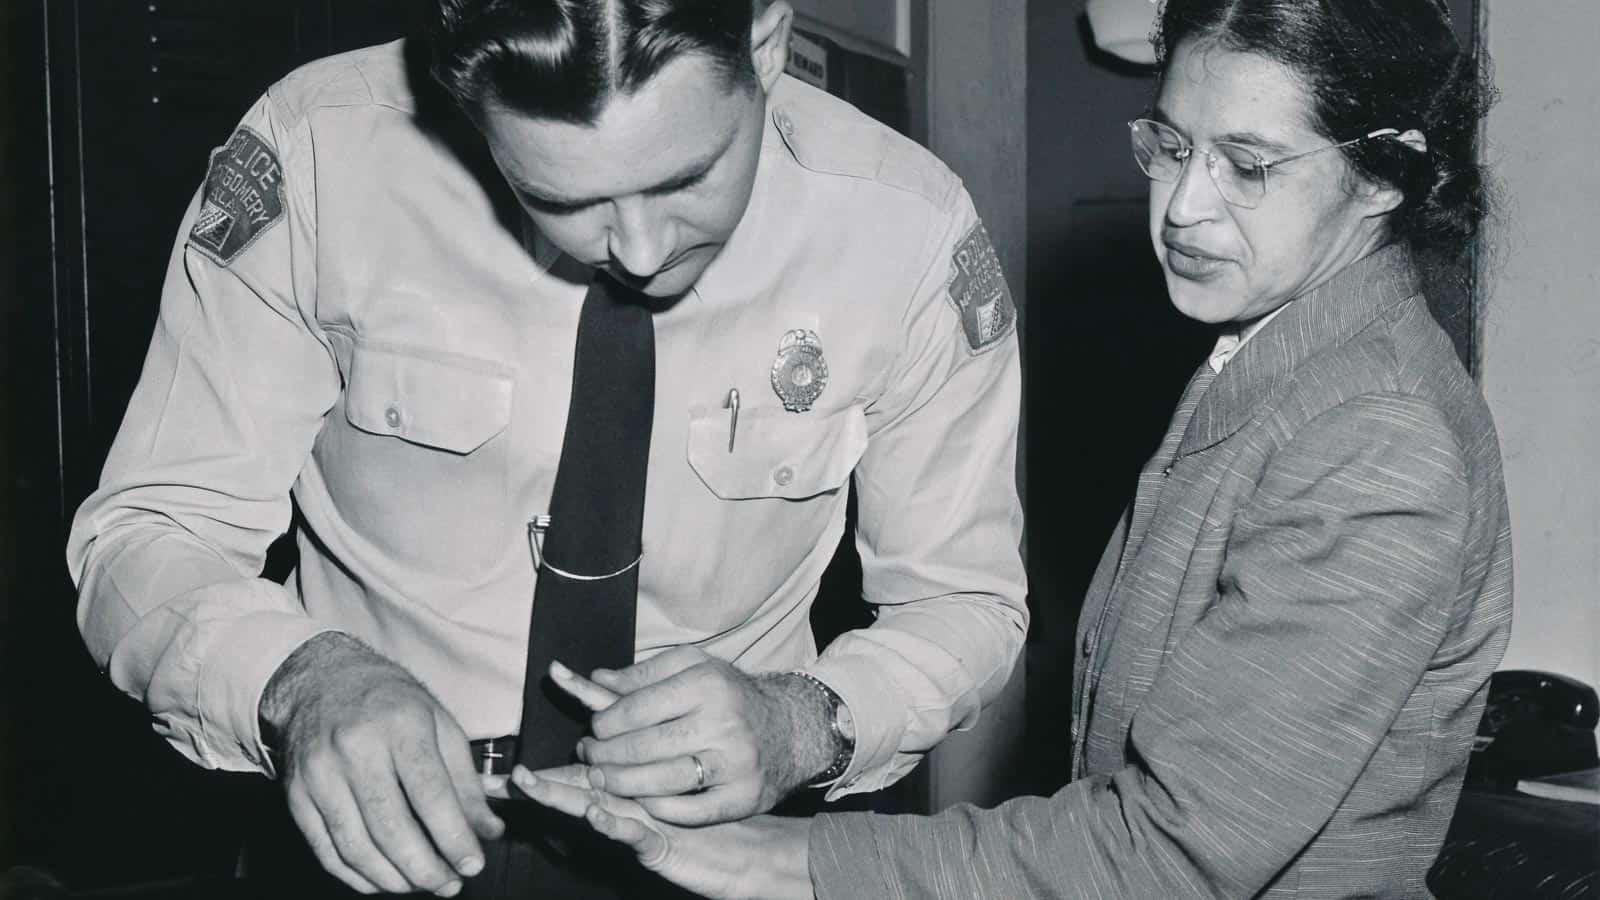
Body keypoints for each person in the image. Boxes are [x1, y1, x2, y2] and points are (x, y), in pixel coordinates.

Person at [520, 0, 1514, 897]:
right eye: (1170, 145)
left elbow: (1169, 851)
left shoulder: (1372, 435)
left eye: (1246, 166)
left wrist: (793, 859)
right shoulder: (1282, 362)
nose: (1182, 207)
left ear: (1385, 174)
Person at [64, 1, 1027, 897]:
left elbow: (965, 600)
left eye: (688, 177)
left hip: (726, 857)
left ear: (766, 45)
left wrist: (804, 719)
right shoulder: (320, 153)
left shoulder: (904, 229)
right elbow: (147, 535)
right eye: (559, 197)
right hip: (366, 846)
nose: (641, 252)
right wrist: (305, 681)